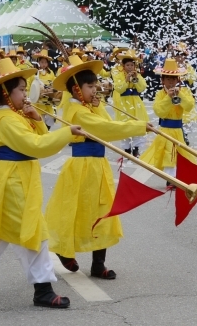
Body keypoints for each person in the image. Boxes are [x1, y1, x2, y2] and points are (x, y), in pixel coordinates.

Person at [0, 57, 78, 308]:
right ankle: (43, 289)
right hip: (12, 181)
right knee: (33, 233)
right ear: (7, 95)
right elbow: (36, 146)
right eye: (21, 89)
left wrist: (37, 118)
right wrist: (68, 132)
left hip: (20, 179)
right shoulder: (7, 120)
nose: (26, 94)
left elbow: (41, 137)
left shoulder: (17, 115)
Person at [45, 54, 153, 279]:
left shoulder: (88, 107)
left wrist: (98, 105)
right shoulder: (76, 111)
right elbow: (105, 129)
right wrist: (140, 126)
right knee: (75, 212)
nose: (96, 90)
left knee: (102, 212)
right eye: (90, 86)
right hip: (82, 167)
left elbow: (106, 122)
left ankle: (98, 264)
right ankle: (64, 251)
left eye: (96, 85)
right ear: (76, 90)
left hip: (98, 165)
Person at [140, 58, 197, 190]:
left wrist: (180, 95)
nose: (171, 82)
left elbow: (189, 106)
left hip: (178, 129)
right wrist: (168, 98)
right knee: (168, 153)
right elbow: (159, 111)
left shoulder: (184, 91)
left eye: (173, 79)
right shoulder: (160, 94)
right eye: (168, 79)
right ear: (163, 80)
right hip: (165, 129)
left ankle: (176, 177)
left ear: (178, 80)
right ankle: (171, 179)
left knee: (179, 154)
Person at [113, 50, 148, 156]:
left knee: (137, 124)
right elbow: (119, 89)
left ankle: (136, 148)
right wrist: (126, 80)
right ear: (123, 66)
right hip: (124, 103)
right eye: (127, 65)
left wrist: (136, 78)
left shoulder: (137, 75)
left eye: (132, 65)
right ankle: (127, 149)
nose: (130, 67)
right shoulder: (119, 75)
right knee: (125, 124)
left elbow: (142, 88)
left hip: (136, 102)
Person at [27, 50, 59, 129]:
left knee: (50, 120)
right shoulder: (34, 73)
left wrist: (52, 89)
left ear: (47, 63)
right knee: (39, 121)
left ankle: (48, 131)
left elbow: (54, 83)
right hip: (37, 102)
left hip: (47, 102)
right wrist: (29, 96)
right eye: (42, 62)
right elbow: (28, 84)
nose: (43, 64)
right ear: (38, 62)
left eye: (45, 62)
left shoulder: (50, 72)